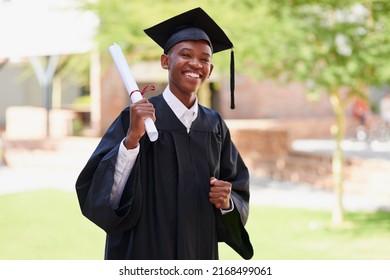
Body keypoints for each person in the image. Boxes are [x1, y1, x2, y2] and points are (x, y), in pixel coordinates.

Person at [75, 7, 253, 260]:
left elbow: (237, 187)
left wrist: (226, 201)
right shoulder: (136, 117)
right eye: (185, 54)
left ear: (210, 70)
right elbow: (101, 194)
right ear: (165, 61)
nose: (195, 63)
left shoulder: (214, 126)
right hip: (144, 251)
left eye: (204, 59)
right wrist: (132, 140)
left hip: (198, 254)